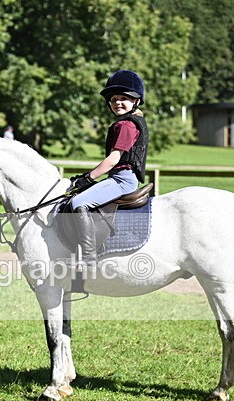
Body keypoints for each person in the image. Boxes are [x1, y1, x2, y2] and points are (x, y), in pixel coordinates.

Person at [67, 69, 149, 266]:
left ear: (136, 101)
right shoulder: (129, 123)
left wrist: (87, 178)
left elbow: (113, 159)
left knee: (79, 203)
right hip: (120, 178)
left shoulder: (126, 125)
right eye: (113, 99)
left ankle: (88, 257)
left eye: (124, 98)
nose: (117, 103)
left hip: (122, 180)